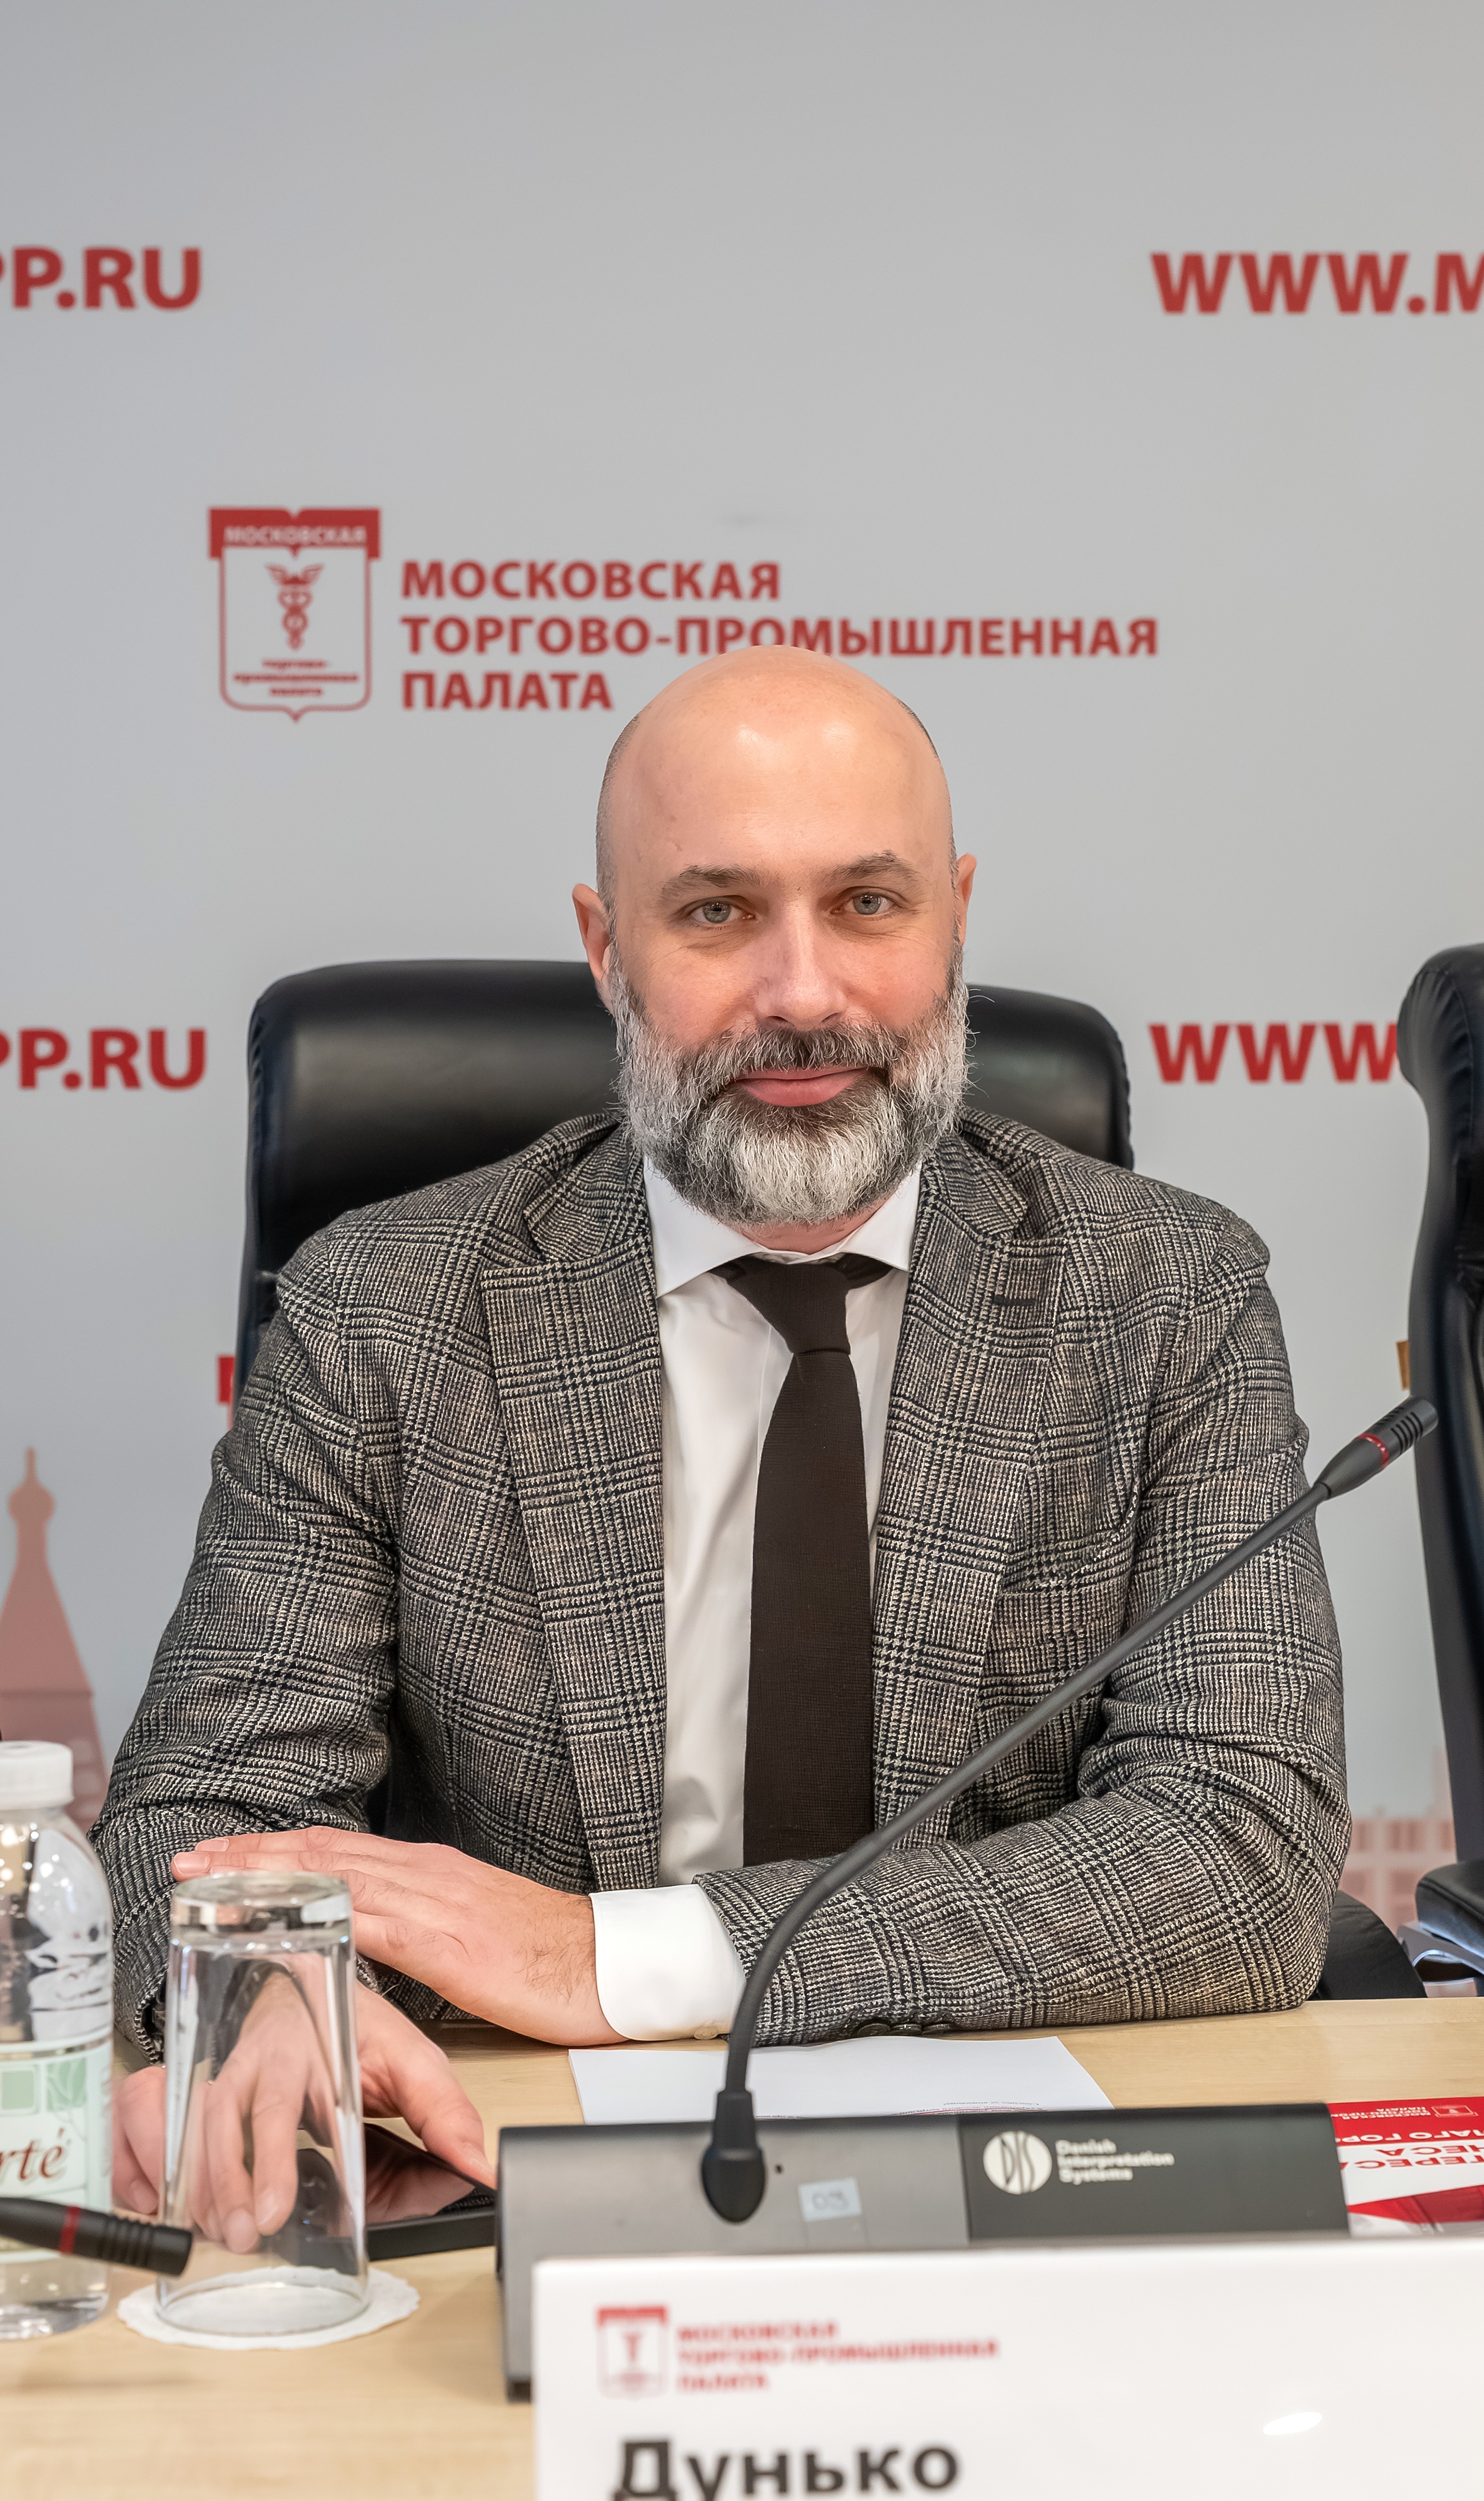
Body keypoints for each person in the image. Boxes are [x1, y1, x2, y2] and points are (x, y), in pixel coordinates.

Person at [97, 647, 1347, 2221]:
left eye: (870, 904)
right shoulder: (384, 1310)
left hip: (1025, 2175)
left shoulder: (1167, 1293)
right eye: (717, 912)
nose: (805, 993)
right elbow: (203, 1813)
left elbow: (1240, 1845)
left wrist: (622, 1956)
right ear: (604, 947)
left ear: (957, 915)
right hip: (505, 2168)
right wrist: (266, 1983)